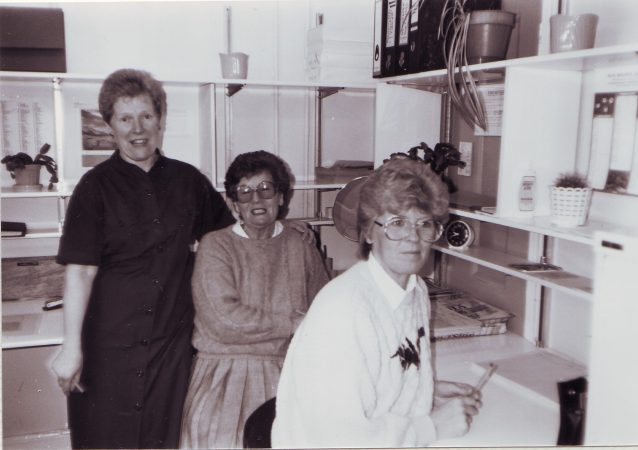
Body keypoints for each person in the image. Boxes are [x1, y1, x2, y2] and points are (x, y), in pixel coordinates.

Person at [50, 69, 311, 449]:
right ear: (110, 124)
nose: (138, 128)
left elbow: (234, 231)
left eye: (147, 116)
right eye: (125, 118)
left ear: (161, 119)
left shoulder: (188, 181)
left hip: (170, 349)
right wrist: (71, 347)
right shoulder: (94, 188)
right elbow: (80, 273)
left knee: (164, 439)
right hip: (109, 346)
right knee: (104, 438)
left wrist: (287, 225)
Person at [271, 158, 482, 448]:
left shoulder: (415, 289)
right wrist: (431, 426)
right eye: (397, 222)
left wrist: (422, 393)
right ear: (369, 232)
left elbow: (386, 372)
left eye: (424, 224)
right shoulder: (344, 312)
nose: (413, 236)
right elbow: (337, 439)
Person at [180, 150, 330, 448]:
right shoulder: (216, 246)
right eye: (244, 193)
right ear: (232, 203)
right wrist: (293, 323)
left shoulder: (299, 244)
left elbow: (324, 310)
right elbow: (224, 320)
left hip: (288, 370)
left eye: (266, 189)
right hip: (224, 374)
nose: (256, 200)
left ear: (282, 197)